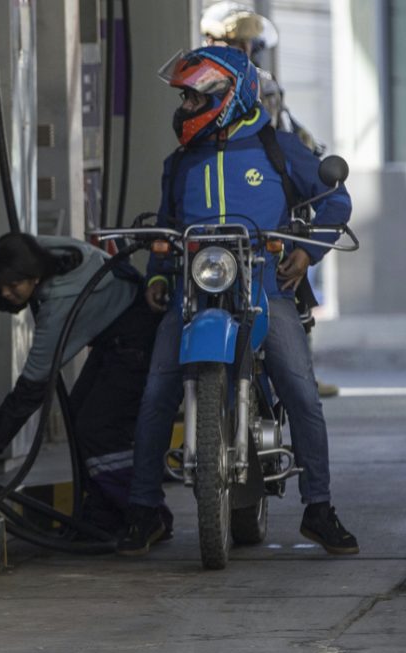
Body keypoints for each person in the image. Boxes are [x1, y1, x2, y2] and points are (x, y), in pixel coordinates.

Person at [117, 45, 357, 557]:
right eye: (183, 99)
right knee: (156, 392)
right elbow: (167, 227)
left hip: (267, 289)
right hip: (192, 295)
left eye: (192, 98)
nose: (185, 107)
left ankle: (319, 507)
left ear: (228, 96)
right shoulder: (181, 161)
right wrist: (158, 275)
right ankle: (144, 509)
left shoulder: (278, 148)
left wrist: (306, 252)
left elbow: (335, 201)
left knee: (301, 391)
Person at [0, 232, 170, 538]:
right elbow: (18, 291)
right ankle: (104, 517)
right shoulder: (46, 250)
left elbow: (32, 387)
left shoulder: (60, 306)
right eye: (2, 284)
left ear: (34, 278)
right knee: (77, 417)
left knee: (97, 429)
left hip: (137, 341)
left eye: (13, 285)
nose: (6, 292)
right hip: (115, 337)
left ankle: (145, 512)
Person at [200, 0, 337, 397]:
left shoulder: (257, 83)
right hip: (226, 199)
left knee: (291, 287)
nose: (241, 51)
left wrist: (303, 148)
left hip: (264, 197)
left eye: (244, 46)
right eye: (232, 44)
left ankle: (298, 375)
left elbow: (279, 130)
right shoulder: (207, 80)